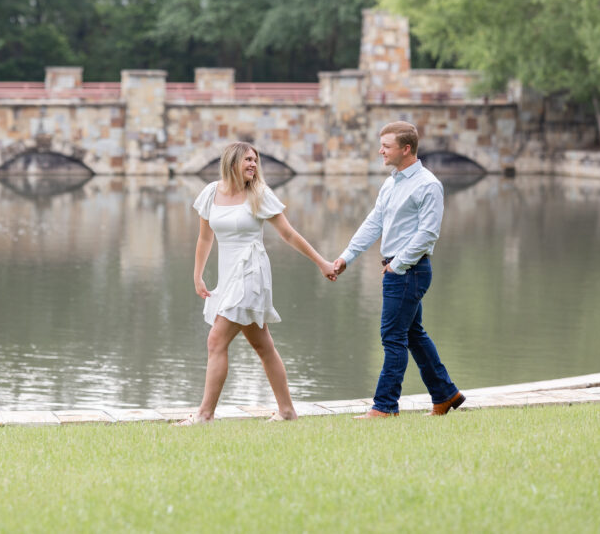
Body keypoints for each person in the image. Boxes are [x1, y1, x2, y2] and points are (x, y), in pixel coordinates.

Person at [180, 142, 337, 425]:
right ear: (232, 162)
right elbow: (205, 238)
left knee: (216, 340)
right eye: (248, 160)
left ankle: (205, 414)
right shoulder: (210, 193)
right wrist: (198, 274)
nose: (253, 164)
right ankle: (287, 411)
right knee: (263, 346)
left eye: (255, 160)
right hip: (228, 276)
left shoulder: (259, 194)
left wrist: (322, 262)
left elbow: (289, 235)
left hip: (251, 273)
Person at [332, 121, 464, 419]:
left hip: (409, 271)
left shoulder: (428, 185)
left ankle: (385, 406)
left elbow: (428, 233)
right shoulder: (391, 182)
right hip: (399, 270)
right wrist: (346, 257)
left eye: (386, 146)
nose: (381, 150)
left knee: (393, 337)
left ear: (406, 149)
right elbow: (374, 223)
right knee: (413, 334)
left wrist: (397, 265)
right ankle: (445, 394)